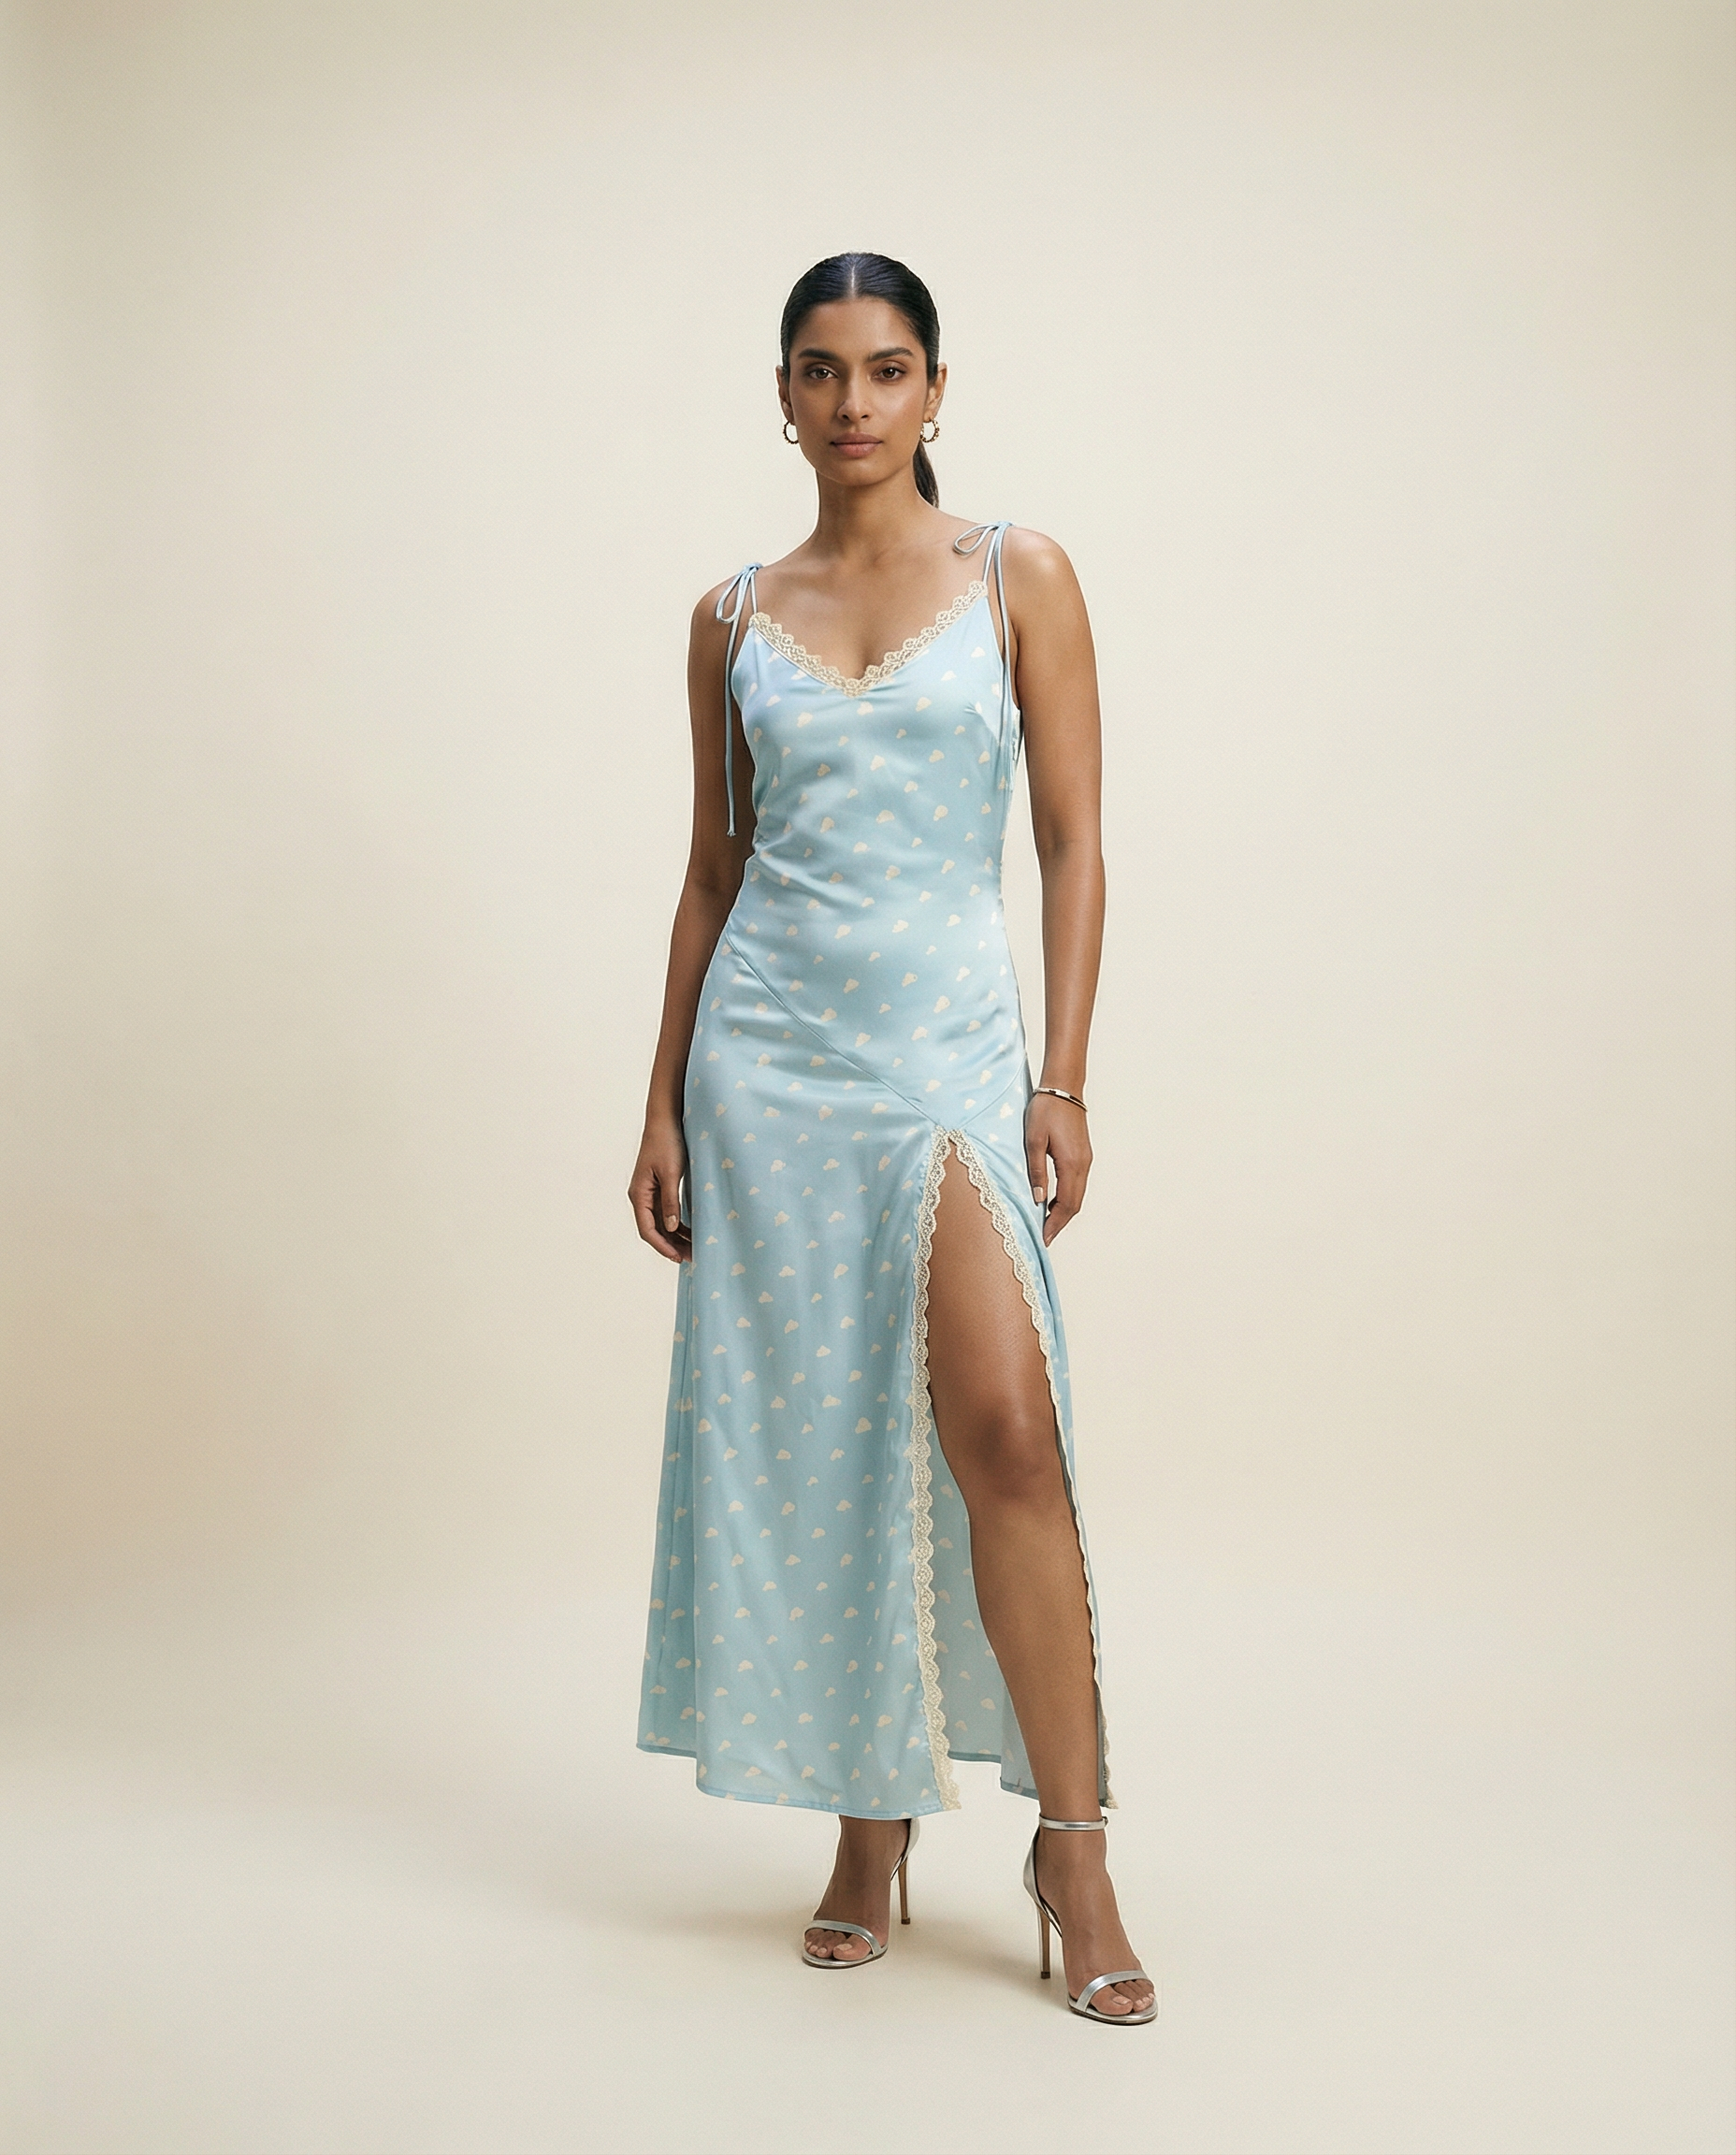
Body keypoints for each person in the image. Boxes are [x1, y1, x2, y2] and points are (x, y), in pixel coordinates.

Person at [628, 253, 1153, 2022]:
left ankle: (1073, 1849)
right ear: (782, 397)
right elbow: (715, 873)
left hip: (942, 1060)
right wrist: (660, 1100)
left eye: (886, 367)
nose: (852, 401)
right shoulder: (729, 617)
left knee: (1004, 1428)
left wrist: (1061, 1079)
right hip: (767, 1065)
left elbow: (1074, 842)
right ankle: (870, 1828)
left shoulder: (1020, 574)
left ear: (936, 390)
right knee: (836, 1441)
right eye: (819, 369)